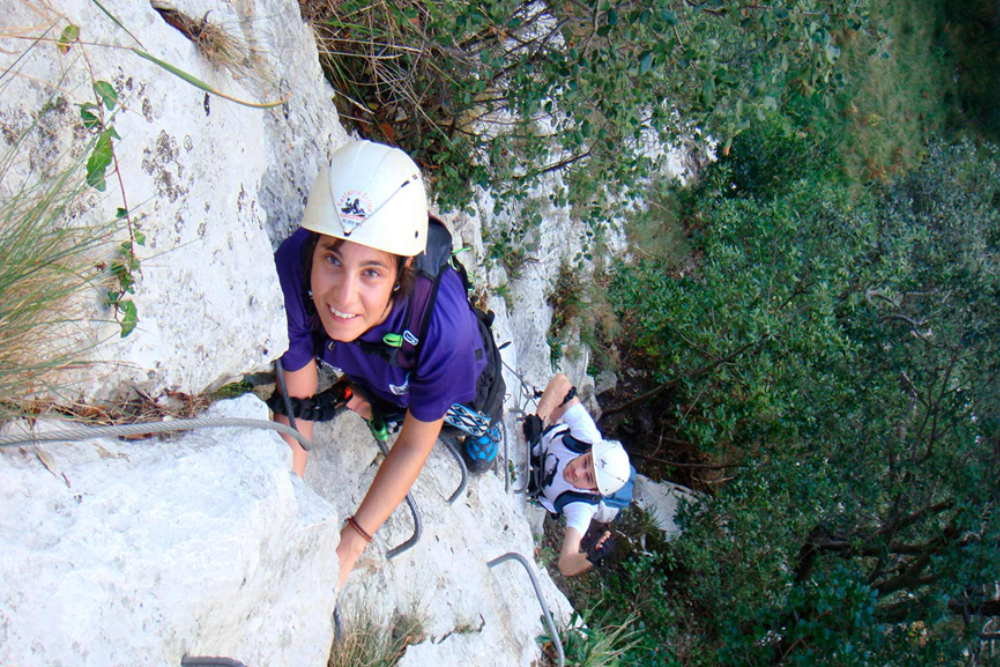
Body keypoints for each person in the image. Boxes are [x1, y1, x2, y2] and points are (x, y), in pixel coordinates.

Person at [271, 140, 502, 589]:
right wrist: (287, 507)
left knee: (470, 421)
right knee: (383, 400)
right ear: (315, 245)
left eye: (372, 272)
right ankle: (376, 402)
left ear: (403, 271)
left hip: (468, 383)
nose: (343, 295)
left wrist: (352, 542)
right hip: (384, 372)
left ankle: (486, 430)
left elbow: (415, 445)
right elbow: (297, 398)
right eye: (332, 259)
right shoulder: (294, 266)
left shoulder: (444, 331)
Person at [523, 373, 632, 577]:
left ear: (594, 491)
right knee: (559, 407)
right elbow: (562, 383)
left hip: (535, 481)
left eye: (588, 478)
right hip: (544, 441)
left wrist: (589, 558)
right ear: (589, 451)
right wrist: (539, 419)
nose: (578, 471)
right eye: (586, 462)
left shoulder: (582, 508)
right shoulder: (589, 437)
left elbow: (565, 564)